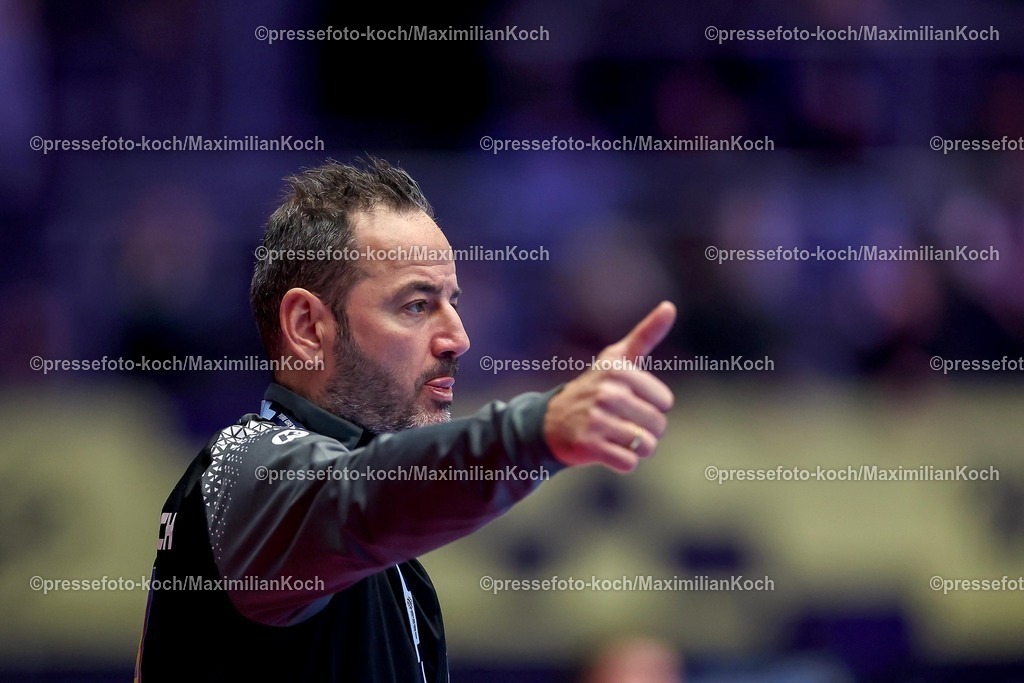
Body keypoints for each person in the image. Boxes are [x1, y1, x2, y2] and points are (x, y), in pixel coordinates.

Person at [135, 158, 676, 682]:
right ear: (307, 327)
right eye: (417, 305)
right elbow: (361, 497)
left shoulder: (381, 561)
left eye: (453, 302)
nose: (458, 337)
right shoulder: (248, 467)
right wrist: (537, 430)